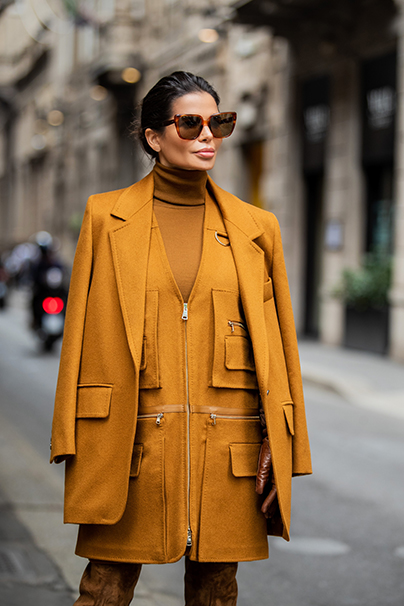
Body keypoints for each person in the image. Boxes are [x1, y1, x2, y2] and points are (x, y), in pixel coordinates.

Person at [50, 71, 312, 606]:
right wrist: (67, 434)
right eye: (190, 123)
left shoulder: (256, 227)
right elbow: (77, 330)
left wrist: (282, 441)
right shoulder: (106, 216)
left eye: (218, 122)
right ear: (154, 136)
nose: (207, 135)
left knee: (218, 593)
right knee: (103, 590)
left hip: (229, 448)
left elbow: (281, 346)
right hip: (130, 442)